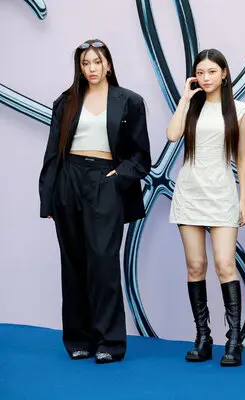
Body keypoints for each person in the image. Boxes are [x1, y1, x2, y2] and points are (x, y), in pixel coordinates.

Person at [39, 39, 151, 364]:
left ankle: (110, 341)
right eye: (85, 63)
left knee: (103, 263)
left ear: (108, 65)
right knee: (73, 263)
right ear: (80, 67)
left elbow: (141, 156)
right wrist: (49, 197)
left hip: (105, 179)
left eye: (97, 62)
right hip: (69, 180)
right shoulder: (67, 101)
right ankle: (78, 339)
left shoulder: (129, 101)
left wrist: (117, 179)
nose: (91, 69)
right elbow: (51, 152)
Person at [167, 48, 245, 367]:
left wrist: (243, 199)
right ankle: (203, 337)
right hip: (189, 192)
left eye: (211, 72)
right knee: (195, 266)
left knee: (224, 264)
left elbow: (242, 158)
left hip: (221, 193)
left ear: (224, 73)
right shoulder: (192, 106)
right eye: (200, 73)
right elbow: (172, 135)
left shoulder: (240, 110)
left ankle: (234, 341)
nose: (205, 78)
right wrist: (184, 99)